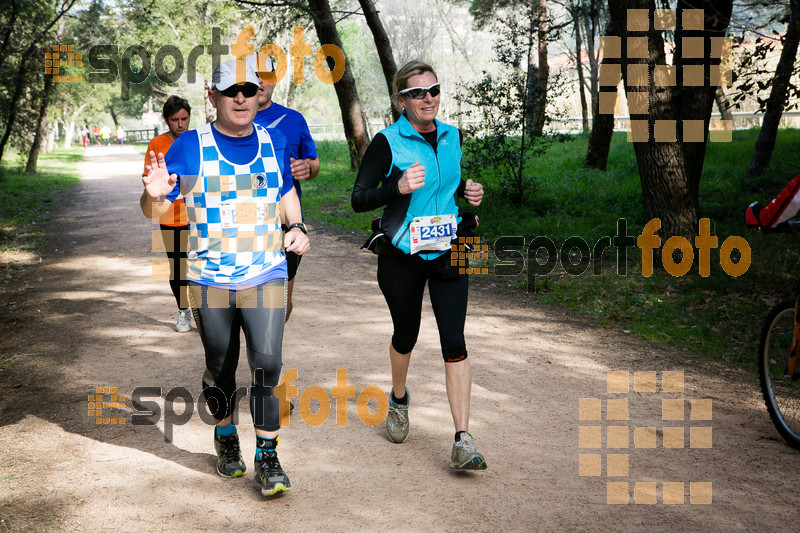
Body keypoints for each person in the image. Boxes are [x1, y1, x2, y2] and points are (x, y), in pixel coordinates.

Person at [139, 58, 309, 496]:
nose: (241, 97)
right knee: (220, 367)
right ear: (212, 97)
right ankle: (226, 436)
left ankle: (268, 457)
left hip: (265, 270)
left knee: (267, 364)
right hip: (209, 278)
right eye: (230, 90)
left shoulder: (273, 140)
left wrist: (297, 226)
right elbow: (153, 208)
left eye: (249, 90)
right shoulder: (190, 146)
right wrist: (152, 195)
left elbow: (285, 191)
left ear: (258, 96)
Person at [351, 60, 487, 470]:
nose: (428, 98)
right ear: (402, 100)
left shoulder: (452, 135)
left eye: (434, 90)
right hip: (402, 255)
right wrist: (397, 187)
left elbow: (446, 183)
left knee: (455, 342)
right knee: (405, 334)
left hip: (452, 246)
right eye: (418, 93)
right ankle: (398, 397)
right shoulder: (387, 142)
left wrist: (468, 191)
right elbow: (359, 198)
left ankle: (463, 438)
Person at [250, 53, 320, 322]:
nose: (259, 83)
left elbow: (313, 164)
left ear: (275, 80)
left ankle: (268, 357)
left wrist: (307, 168)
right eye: (253, 76)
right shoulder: (231, 121)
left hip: (284, 226)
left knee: (280, 305)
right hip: (243, 224)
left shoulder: (293, 119)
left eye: (265, 76)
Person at [141, 95, 192, 332]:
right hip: (170, 216)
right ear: (166, 120)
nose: (180, 124)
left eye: (184, 118)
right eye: (175, 120)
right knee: (178, 267)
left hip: (200, 216)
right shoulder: (156, 145)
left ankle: (208, 315)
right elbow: (150, 184)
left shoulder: (197, 140)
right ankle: (184, 311)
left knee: (201, 265)